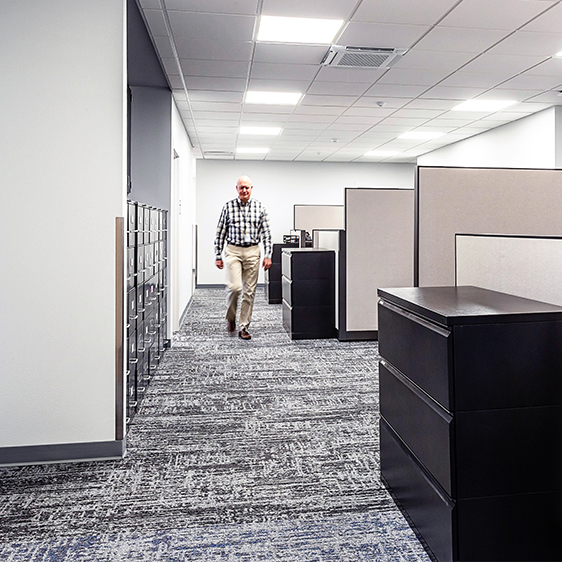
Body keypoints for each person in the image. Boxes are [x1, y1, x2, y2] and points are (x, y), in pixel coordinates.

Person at [214, 175, 272, 340]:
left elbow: (267, 234)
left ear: (251, 188)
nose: (244, 190)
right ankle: (230, 316)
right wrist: (218, 255)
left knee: (249, 292)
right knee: (235, 288)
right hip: (233, 250)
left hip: (253, 251)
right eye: (241, 187)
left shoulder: (260, 207)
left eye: (247, 187)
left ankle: (243, 326)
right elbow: (220, 232)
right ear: (237, 188)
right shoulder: (228, 207)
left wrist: (268, 255)